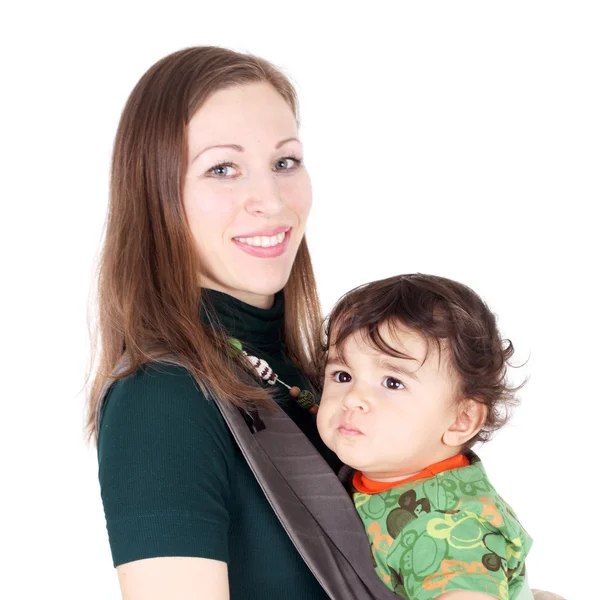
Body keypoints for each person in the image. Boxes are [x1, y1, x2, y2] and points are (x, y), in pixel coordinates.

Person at [88, 46, 340, 599]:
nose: (270, 201)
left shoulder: (314, 378)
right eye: (223, 169)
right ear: (157, 198)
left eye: (284, 162)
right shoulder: (163, 396)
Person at [317, 274, 533, 600]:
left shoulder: (450, 528)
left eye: (392, 382)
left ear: (461, 420)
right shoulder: (397, 471)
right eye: (343, 375)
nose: (352, 398)